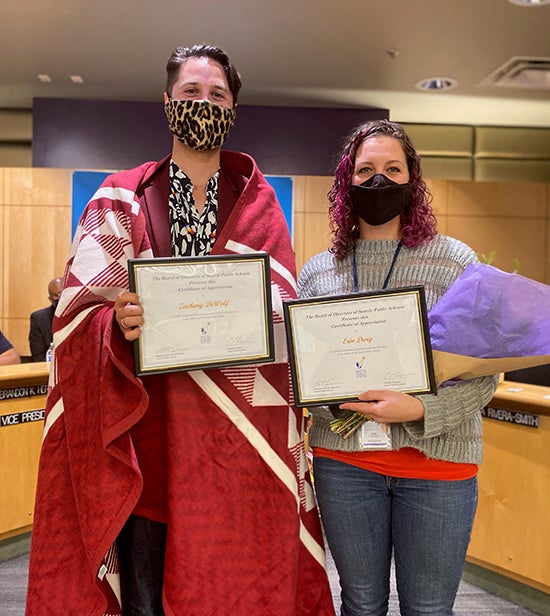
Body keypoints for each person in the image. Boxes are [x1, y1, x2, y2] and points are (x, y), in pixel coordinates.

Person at [26, 45, 335, 616]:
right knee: (146, 599)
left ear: (234, 109)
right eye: (191, 92)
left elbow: (285, 306)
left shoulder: (259, 202)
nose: (203, 103)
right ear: (167, 101)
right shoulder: (121, 197)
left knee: (232, 590)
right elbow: (75, 313)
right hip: (145, 446)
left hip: (235, 448)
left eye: (217, 95)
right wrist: (115, 322)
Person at [298, 119, 498, 616]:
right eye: (364, 171)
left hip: (439, 464)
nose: (378, 182)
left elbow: (487, 371)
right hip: (346, 464)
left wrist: (419, 407)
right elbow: (301, 370)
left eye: (392, 169)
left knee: (428, 609)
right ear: (346, 183)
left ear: (413, 180)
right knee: (360, 604)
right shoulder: (319, 271)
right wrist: (321, 390)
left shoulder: (453, 262)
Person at [28, 276, 63, 361]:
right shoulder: (39, 319)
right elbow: (38, 357)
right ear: (50, 299)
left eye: (63, 293)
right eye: (56, 295)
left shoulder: (81, 316)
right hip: (49, 369)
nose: (61, 297)